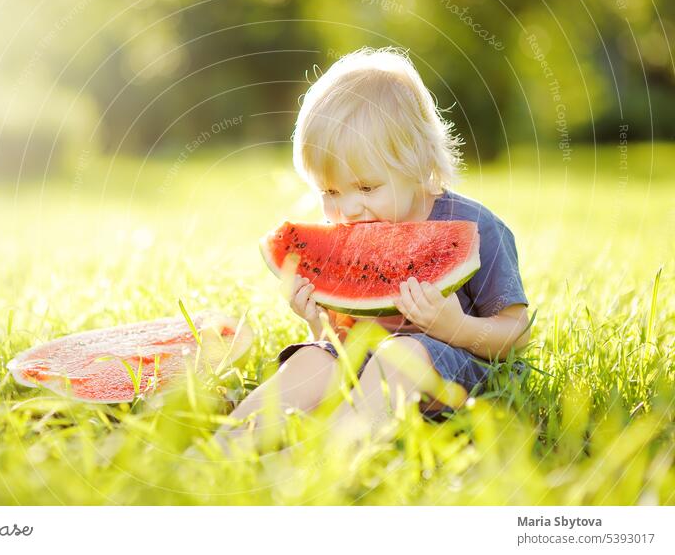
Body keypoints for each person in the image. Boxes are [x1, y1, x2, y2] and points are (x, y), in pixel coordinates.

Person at [209, 46, 531, 456]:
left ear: (418, 163)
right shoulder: (347, 228)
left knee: (402, 354)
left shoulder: (477, 228)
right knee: (314, 360)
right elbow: (345, 345)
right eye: (329, 191)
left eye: (366, 188)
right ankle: (224, 446)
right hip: (365, 365)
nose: (347, 209)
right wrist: (317, 322)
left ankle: (322, 455)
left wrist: (455, 328)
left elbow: (516, 335)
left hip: (457, 372)